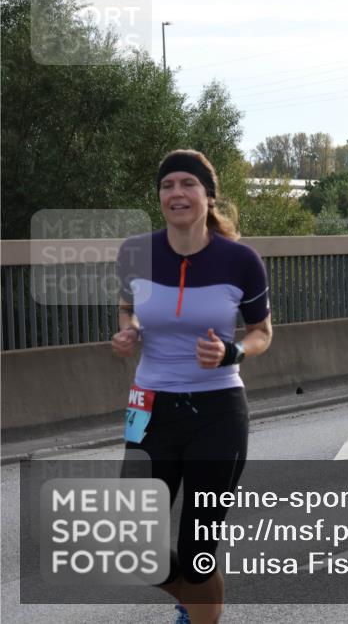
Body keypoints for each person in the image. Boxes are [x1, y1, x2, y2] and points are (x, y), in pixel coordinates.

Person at [114, 150, 273, 624]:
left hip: (218, 411)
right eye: (167, 185)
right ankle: (198, 606)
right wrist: (129, 329)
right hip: (151, 407)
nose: (176, 193)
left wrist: (235, 352)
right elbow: (129, 307)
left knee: (197, 546)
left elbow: (262, 332)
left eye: (188, 184)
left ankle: (201, 614)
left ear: (208, 195)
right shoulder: (135, 252)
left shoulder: (241, 260)